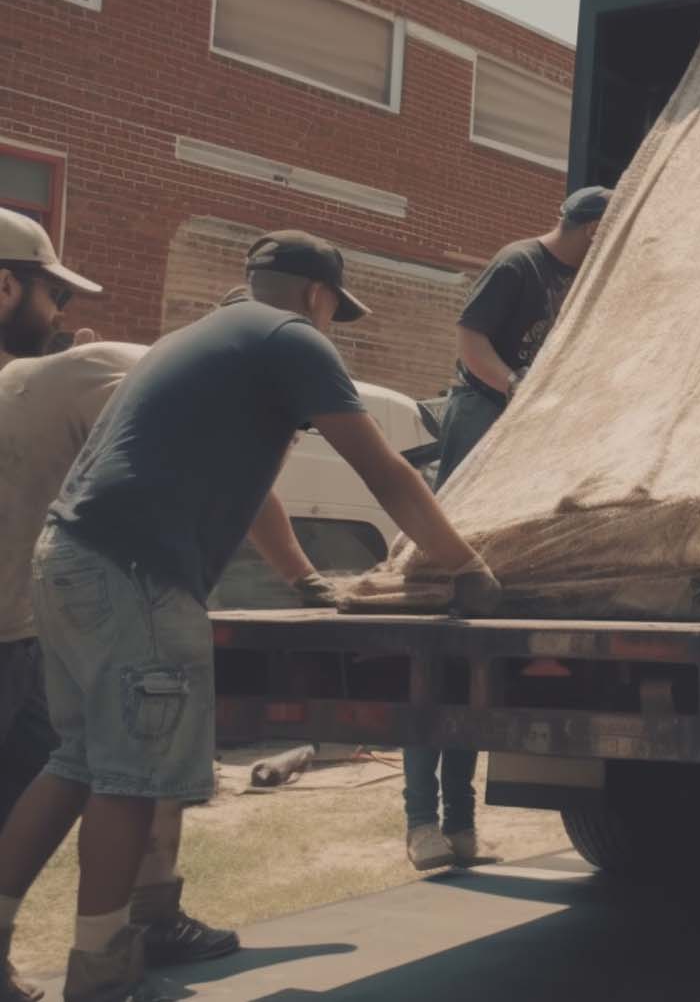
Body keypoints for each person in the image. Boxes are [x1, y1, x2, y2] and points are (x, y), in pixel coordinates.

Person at [0, 228, 500, 1001]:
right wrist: (464, 566)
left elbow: (254, 488)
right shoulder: (294, 340)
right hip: (137, 572)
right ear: (317, 295)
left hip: (66, 562)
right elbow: (385, 471)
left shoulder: (199, 340)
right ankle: (101, 975)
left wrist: (302, 578)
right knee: (129, 781)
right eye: (335, 311)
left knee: (74, 763)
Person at [0, 211, 249, 1000]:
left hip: (30, 629)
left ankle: (130, 931)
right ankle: (117, 947)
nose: (61, 315)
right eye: (50, 295)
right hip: (19, 636)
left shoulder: (41, 377)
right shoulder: (83, 372)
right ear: (6, 286)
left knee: (82, 766)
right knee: (127, 761)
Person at [404, 185, 609, 871]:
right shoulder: (519, 264)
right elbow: (470, 339)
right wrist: (516, 391)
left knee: (470, 663)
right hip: (485, 409)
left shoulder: (585, 282)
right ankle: (422, 821)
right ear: (586, 228)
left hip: (536, 416)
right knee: (446, 603)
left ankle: (459, 825)